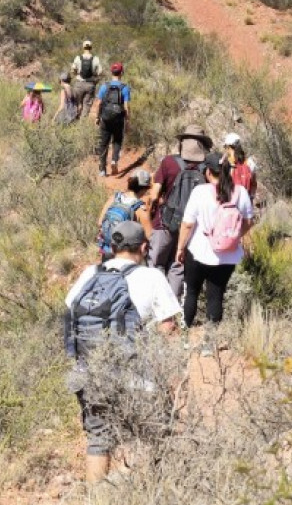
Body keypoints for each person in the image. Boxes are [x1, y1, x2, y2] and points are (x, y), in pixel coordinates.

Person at [64, 221, 181, 482]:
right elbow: (168, 326)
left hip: (90, 372)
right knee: (154, 431)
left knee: (98, 438)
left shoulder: (89, 273)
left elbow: (70, 309)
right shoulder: (151, 277)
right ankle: (148, 494)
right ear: (143, 247)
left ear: (113, 247)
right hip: (136, 375)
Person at [175, 153, 254, 343]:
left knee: (192, 291)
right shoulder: (240, 192)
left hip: (199, 252)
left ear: (208, 172)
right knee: (215, 297)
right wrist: (234, 237)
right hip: (228, 256)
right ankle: (209, 343)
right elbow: (249, 221)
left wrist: (180, 248)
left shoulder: (200, 192)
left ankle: (185, 336)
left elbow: (187, 224)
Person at [145, 125, 212, 300]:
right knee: (177, 265)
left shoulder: (169, 162)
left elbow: (153, 195)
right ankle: (172, 305)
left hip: (165, 222)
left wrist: (153, 211)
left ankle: (156, 303)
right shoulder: (206, 168)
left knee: (156, 263)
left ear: (182, 143)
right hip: (191, 227)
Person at [95, 169, 154, 261]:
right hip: (126, 257)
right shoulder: (140, 209)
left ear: (129, 183)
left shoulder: (115, 198)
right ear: (144, 188)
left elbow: (100, 222)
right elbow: (151, 237)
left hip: (107, 249)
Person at [92, 63, 129, 177]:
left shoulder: (104, 86)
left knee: (103, 143)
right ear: (121, 73)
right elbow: (127, 106)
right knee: (117, 141)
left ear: (111, 72)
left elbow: (98, 103)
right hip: (118, 119)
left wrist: (97, 117)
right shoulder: (124, 87)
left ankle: (102, 170)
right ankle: (114, 160)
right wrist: (127, 121)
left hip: (106, 118)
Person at [70, 40, 103, 118]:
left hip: (79, 84)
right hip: (90, 85)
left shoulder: (78, 58)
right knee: (87, 105)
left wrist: (76, 74)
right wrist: (96, 77)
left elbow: (73, 69)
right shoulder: (95, 59)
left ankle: (74, 120)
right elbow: (100, 71)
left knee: (77, 103)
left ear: (83, 47)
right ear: (91, 48)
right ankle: (82, 124)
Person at [222, 132, 257, 199]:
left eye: (225, 147)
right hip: (246, 202)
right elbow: (254, 184)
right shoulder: (249, 163)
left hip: (231, 202)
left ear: (228, 147)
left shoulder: (225, 164)